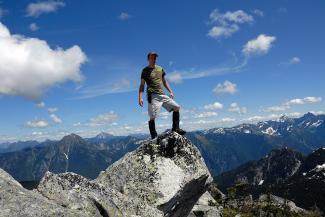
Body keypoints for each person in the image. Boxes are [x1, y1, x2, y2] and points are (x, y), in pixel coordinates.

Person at [138, 51, 186, 139]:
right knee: (152, 117)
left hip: (162, 94)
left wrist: (170, 91)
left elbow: (164, 81)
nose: (154, 59)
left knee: (177, 107)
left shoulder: (160, 69)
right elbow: (142, 85)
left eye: (155, 57)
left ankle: (176, 128)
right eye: (152, 57)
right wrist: (140, 98)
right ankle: (153, 136)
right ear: (148, 59)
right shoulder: (145, 71)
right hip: (153, 95)